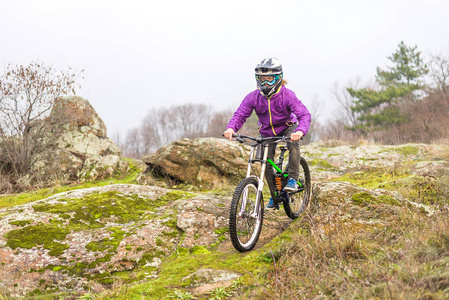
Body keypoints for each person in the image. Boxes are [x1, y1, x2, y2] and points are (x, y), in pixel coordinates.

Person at [223, 57, 311, 210]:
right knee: (265, 160)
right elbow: (240, 115)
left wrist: (299, 131)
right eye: (262, 79)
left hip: (287, 128)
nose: (265, 83)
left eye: (269, 79)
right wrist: (231, 128)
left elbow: (304, 115)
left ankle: (293, 179)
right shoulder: (253, 97)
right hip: (266, 132)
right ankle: (275, 196)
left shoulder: (287, 95)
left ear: (278, 78)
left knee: (293, 143)